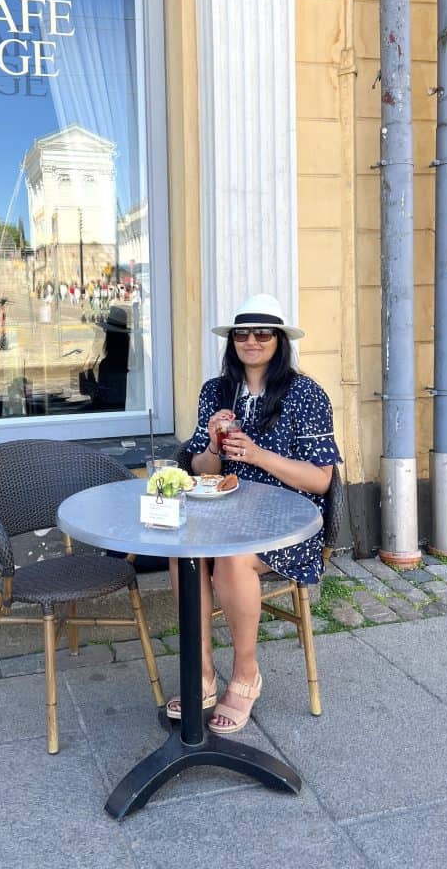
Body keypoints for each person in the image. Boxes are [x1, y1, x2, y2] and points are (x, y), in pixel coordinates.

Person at [167, 293, 341, 734]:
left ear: (279, 341)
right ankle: (202, 674)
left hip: (290, 521)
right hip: (225, 511)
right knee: (179, 551)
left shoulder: (305, 394)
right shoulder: (216, 391)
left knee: (231, 558)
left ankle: (245, 675)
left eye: (263, 333)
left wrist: (258, 455)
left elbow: (321, 479)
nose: (251, 340)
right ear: (233, 342)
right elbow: (200, 469)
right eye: (242, 333)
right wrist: (211, 446)